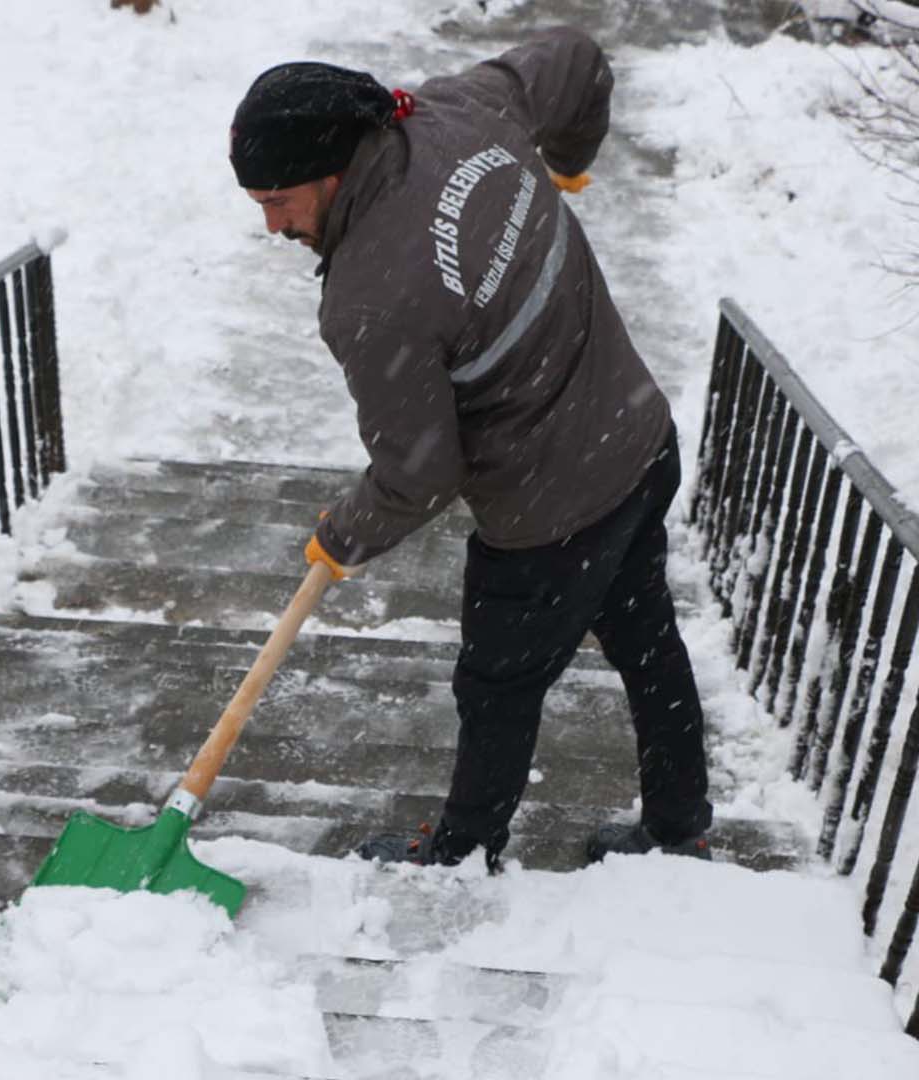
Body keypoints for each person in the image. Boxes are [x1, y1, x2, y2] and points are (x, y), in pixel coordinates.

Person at [228, 27, 712, 870]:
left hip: (550, 511)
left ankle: (462, 850)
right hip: (635, 439)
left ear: (333, 167)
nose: (273, 225)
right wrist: (565, 160)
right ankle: (679, 825)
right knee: (645, 641)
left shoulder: (372, 298)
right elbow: (573, 57)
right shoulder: (458, 109)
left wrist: (343, 534)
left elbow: (420, 473)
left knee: (497, 687)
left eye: (280, 200)